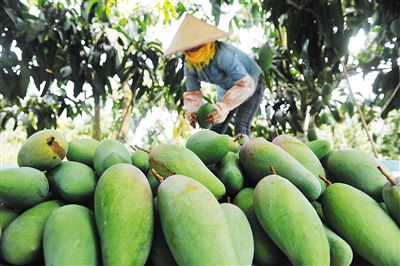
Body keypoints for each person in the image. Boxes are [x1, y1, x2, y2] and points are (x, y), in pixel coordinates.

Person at [164, 14, 264, 136]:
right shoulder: (190, 65)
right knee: (216, 126)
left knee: (241, 127)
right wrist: (192, 112)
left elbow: (245, 84)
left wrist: (225, 106)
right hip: (227, 88)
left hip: (252, 82)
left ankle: (247, 154)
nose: (194, 48)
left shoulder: (223, 55)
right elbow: (192, 93)